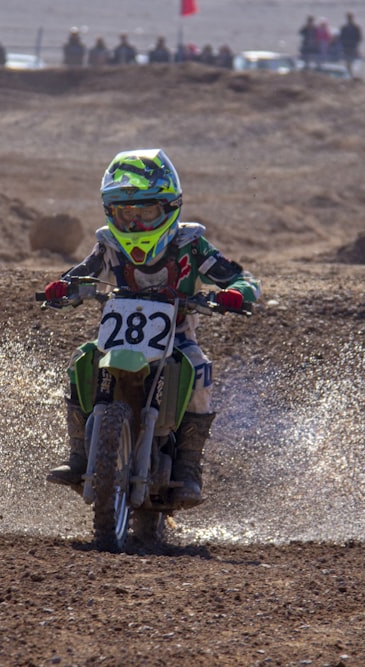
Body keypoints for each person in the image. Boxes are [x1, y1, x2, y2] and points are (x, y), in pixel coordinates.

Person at [43, 148, 260, 507]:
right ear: (111, 212)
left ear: (169, 206)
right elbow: (78, 275)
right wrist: (63, 288)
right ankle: (79, 454)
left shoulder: (190, 244)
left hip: (177, 341)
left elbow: (241, 277)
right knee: (80, 359)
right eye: (126, 213)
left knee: (200, 372)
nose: (136, 224)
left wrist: (237, 294)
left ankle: (189, 468)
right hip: (116, 344)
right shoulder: (109, 246)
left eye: (146, 211)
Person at [338, 12, 362, 77]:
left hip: (353, 48)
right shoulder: (344, 28)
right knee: (347, 62)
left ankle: (353, 75)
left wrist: (355, 45)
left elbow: (359, 38)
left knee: (353, 62)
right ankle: (349, 75)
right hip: (346, 48)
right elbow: (341, 38)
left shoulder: (356, 27)